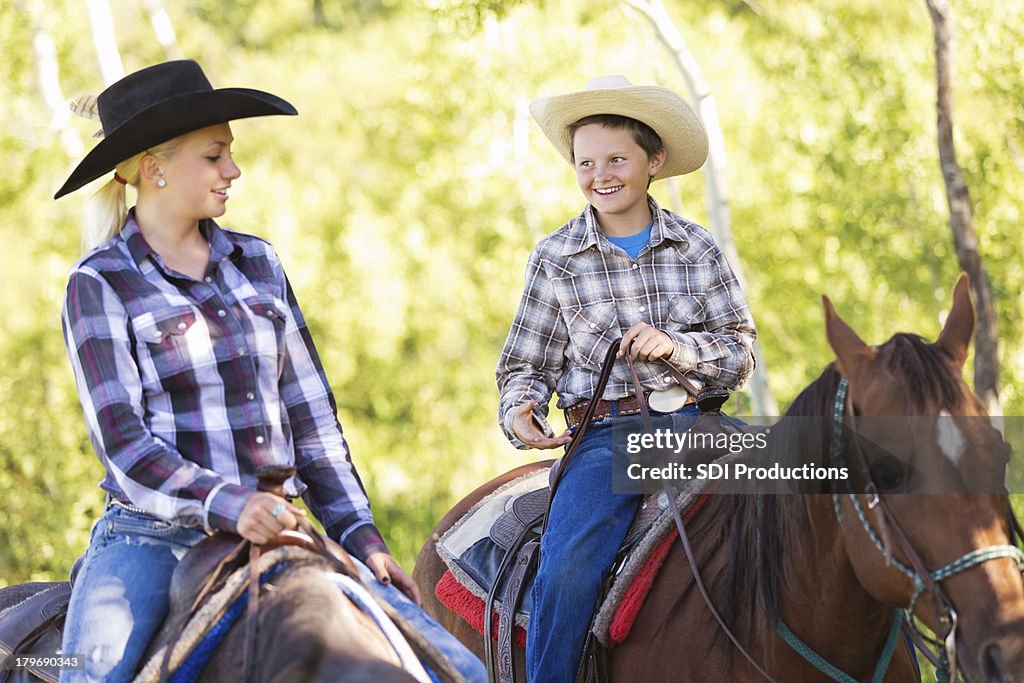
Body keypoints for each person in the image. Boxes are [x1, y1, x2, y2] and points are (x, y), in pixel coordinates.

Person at [55, 60, 484, 683]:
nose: (233, 170)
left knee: (462, 672)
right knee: (91, 676)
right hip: (153, 539)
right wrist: (230, 504)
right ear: (155, 169)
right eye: (215, 155)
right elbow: (123, 443)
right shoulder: (99, 284)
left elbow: (312, 423)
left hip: (282, 529)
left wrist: (362, 538)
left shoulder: (257, 262)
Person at [495, 75, 757, 682]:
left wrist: (679, 349)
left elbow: (740, 351)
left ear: (654, 161)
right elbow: (525, 365)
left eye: (617, 158)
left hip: (701, 427)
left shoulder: (696, 248)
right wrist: (522, 410)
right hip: (611, 439)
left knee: (817, 498)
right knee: (567, 569)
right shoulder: (556, 257)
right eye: (586, 162)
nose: (600, 174)